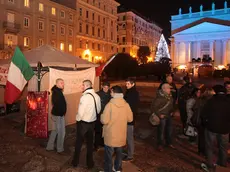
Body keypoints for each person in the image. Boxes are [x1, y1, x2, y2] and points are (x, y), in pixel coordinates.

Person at [100, 85, 133, 172]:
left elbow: (104, 121)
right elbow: (130, 119)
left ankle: (108, 170)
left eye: (111, 91)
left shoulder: (109, 105)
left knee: (109, 156)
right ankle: (117, 169)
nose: (110, 93)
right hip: (121, 134)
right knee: (119, 154)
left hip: (110, 135)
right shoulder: (126, 104)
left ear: (114, 92)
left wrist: (102, 115)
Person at [72, 80, 101, 169]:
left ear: (86, 86)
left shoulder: (84, 97)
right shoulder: (97, 96)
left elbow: (80, 113)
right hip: (92, 123)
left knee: (79, 143)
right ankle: (90, 163)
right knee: (90, 144)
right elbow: (99, 110)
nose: (82, 87)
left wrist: (77, 119)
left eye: (82, 85)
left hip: (83, 124)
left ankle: (75, 162)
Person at [201, 85, 230, 172]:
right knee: (223, 147)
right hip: (225, 129)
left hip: (211, 128)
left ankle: (209, 165)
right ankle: (223, 165)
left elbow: (203, 114)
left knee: (210, 146)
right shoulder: (228, 102)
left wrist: (206, 123)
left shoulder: (210, 101)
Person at [151, 83, 174, 151]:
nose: (170, 89)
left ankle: (169, 143)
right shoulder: (159, 98)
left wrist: (172, 111)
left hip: (168, 115)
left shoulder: (169, 96)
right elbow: (153, 107)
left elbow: (171, 105)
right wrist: (159, 114)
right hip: (162, 116)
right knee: (161, 131)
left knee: (169, 130)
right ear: (164, 89)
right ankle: (160, 144)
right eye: (168, 88)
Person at [46, 78, 67, 153]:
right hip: (58, 115)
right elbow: (57, 104)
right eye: (61, 83)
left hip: (58, 114)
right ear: (57, 84)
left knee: (55, 130)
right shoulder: (56, 92)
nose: (63, 84)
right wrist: (61, 113)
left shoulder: (58, 91)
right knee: (61, 132)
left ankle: (49, 146)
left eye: (63, 83)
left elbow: (56, 104)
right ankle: (59, 148)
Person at [192, 88, 214, 156]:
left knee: (201, 136)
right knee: (208, 137)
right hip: (207, 121)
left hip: (199, 120)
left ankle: (200, 150)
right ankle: (206, 152)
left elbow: (194, 108)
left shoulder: (199, 100)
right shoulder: (211, 101)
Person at [123, 78, 140, 161]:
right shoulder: (130, 92)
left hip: (130, 118)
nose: (126, 85)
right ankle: (128, 152)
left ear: (133, 84)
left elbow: (131, 107)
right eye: (126, 84)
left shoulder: (132, 93)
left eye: (128, 84)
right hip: (129, 117)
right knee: (127, 136)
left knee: (129, 137)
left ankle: (130, 155)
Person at [94, 81, 111, 151]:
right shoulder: (97, 94)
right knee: (98, 131)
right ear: (102, 87)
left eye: (107, 88)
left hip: (107, 116)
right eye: (104, 87)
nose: (106, 89)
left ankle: (103, 143)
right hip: (99, 115)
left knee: (106, 131)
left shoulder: (111, 94)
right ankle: (96, 145)